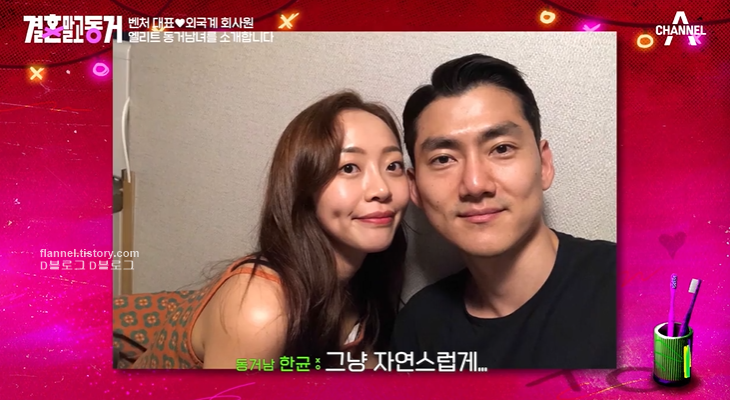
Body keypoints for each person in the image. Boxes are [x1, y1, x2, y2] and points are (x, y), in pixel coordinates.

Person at [113, 91, 410, 369]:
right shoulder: (261, 312)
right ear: (304, 187)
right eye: (349, 168)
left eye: (393, 165)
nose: (381, 189)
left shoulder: (368, 279)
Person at [390, 54, 616, 369]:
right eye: (443, 159)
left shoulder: (637, 286)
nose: (475, 184)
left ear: (544, 165)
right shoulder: (418, 331)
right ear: (414, 188)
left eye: (501, 149)